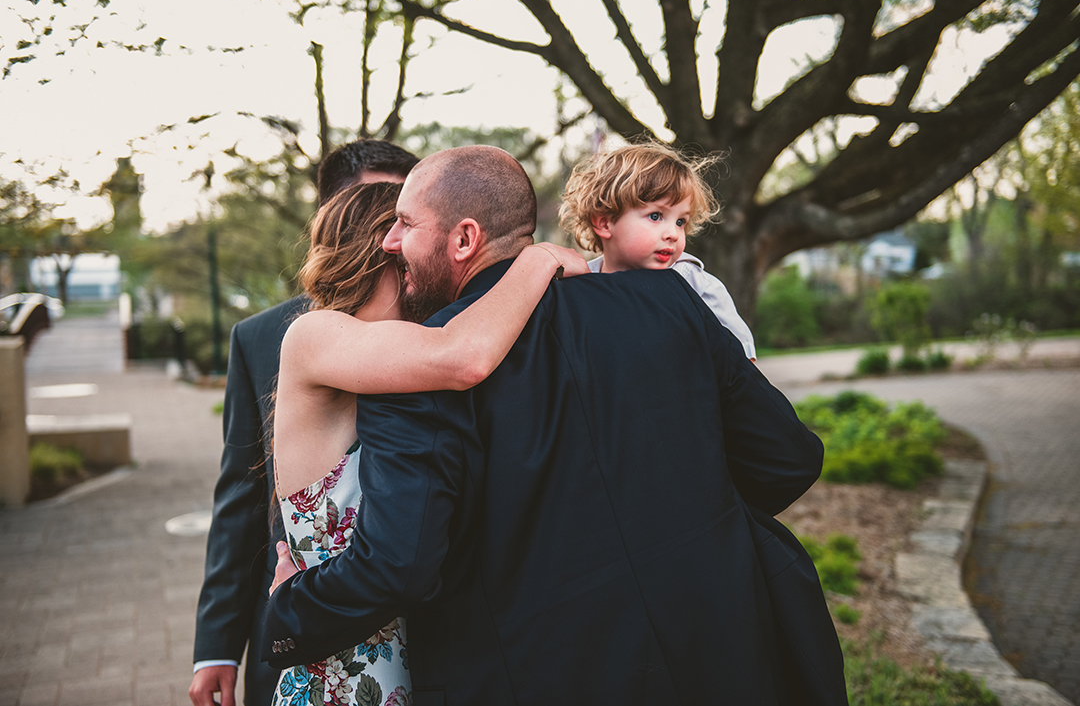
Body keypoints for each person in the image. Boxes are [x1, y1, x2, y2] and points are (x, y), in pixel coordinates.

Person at [263, 145, 846, 704]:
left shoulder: (415, 375)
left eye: (407, 225)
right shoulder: (669, 303)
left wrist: (285, 611)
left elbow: (403, 565)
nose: (394, 241)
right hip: (722, 647)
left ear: (464, 238)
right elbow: (787, 457)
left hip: (527, 677)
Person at [269, 181, 585, 705]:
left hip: (431, 664)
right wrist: (535, 259)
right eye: (409, 252)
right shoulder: (314, 336)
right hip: (345, 671)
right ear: (379, 254)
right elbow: (463, 356)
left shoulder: (402, 362)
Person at [190, 139, 419, 706]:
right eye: (378, 208)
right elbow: (241, 499)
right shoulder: (271, 336)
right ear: (333, 215)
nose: (392, 234)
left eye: (406, 211)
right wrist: (217, 646)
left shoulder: (435, 313)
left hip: (425, 636)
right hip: (306, 622)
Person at [560, 140, 756, 360]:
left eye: (681, 222)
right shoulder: (582, 285)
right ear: (605, 223)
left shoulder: (694, 284)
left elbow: (741, 364)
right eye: (656, 216)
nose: (673, 233)